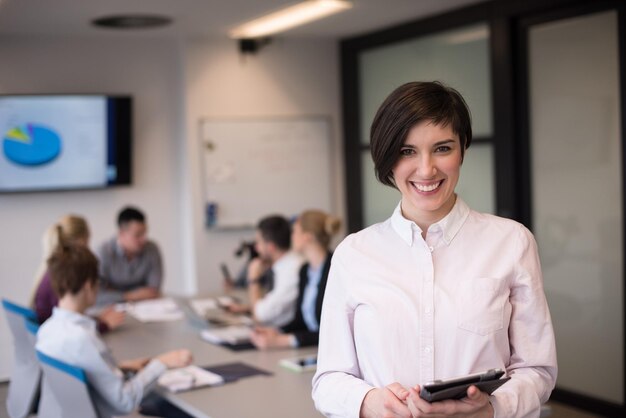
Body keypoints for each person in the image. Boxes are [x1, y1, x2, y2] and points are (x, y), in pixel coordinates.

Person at [312, 81, 557, 418]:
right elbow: (327, 380)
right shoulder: (354, 254)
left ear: (463, 149)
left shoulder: (512, 242)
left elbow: (538, 371)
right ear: (387, 158)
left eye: (442, 148)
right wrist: (369, 402)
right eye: (407, 151)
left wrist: (491, 408)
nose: (426, 170)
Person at [35, 243, 193, 417]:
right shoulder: (83, 339)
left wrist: (121, 367)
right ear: (89, 286)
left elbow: (82, 371)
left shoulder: (47, 330)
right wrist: (163, 362)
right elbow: (125, 400)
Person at [250, 210, 341, 349]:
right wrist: (277, 332)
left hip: (331, 351)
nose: (291, 237)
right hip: (312, 350)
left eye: (295, 232)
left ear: (307, 237)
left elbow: (333, 330)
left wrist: (285, 340)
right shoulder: (305, 270)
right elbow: (301, 320)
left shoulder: (335, 270)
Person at [31, 215, 124, 332]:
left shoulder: (53, 270)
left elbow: (70, 317)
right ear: (80, 243)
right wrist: (103, 325)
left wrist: (96, 319)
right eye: (87, 244)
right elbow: (71, 328)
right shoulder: (63, 277)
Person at [227, 215, 303, 327]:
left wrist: (253, 279)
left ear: (271, 247)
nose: (256, 248)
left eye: (258, 242)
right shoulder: (286, 264)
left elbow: (259, 316)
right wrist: (248, 308)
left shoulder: (292, 271)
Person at [97, 206, 163, 305]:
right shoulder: (104, 251)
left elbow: (153, 291)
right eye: (138, 235)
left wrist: (113, 291)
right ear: (121, 233)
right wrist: (130, 295)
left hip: (145, 307)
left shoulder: (152, 249)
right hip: (111, 308)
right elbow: (97, 294)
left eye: (144, 233)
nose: (143, 239)